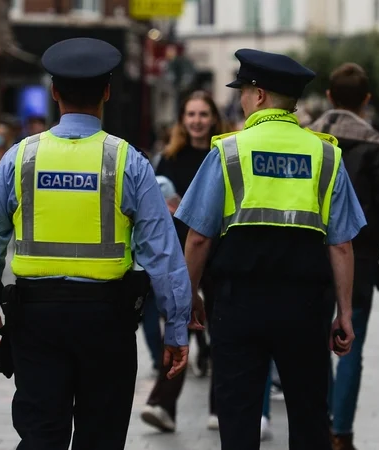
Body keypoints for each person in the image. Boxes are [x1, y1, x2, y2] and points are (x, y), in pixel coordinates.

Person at [0, 37, 193, 450]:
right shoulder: (128, 162)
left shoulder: (20, 158)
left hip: (36, 321)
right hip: (107, 321)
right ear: (107, 91)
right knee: (100, 437)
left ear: (54, 92)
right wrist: (176, 326)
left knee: (40, 436)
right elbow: (162, 253)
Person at [176, 48, 365, 450]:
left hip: (238, 305)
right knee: (309, 412)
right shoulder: (327, 155)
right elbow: (342, 244)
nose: (240, 99)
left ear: (259, 95)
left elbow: (198, 237)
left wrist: (189, 295)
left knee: (239, 412)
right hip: (307, 306)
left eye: (243, 90)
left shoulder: (229, 151)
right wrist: (344, 313)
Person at [309, 62, 379, 450]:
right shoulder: (377, 147)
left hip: (313, 260)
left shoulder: (309, 141)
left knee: (317, 344)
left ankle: (321, 419)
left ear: (330, 97)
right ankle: (341, 433)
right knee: (352, 346)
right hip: (361, 262)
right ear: (366, 99)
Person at [141, 90, 232, 434]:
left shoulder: (224, 154)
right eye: (190, 114)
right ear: (182, 120)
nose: (196, 121)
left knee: (221, 329)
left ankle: (218, 408)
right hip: (179, 255)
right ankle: (163, 405)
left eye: (203, 114)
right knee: (178, 327)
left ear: (214, 118)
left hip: (219, 252)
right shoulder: (168, 158)